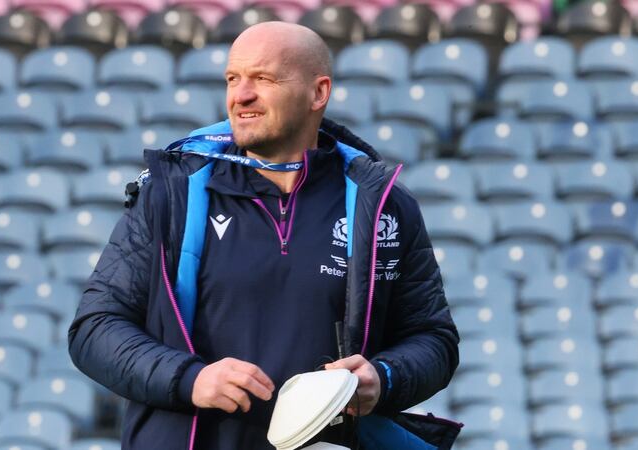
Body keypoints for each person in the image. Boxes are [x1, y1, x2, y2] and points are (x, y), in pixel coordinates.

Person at [68, 21, 460, 450]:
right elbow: (95, 329)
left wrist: (383, 379)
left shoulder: (383, 204)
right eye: (233, 79)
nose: (241, 95)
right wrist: (189, 378)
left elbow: (433, 341)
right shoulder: (170, 194)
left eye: (264, 79)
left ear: (319, 93)